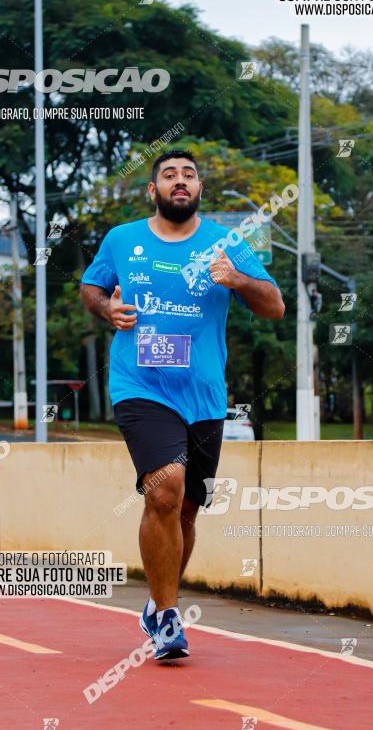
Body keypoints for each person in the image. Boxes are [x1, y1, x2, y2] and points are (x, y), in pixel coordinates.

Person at [80, 149, 284, 660]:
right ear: (153, 189)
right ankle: (169, 620)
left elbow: (274, 307)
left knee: (187, 507)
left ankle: (157, 603)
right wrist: (109, 308)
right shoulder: (123, 239)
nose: (179, 181)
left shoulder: (227, 243)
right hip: (140, 385)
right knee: (165, 488)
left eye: (188, 175)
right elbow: (90, 285)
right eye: (168, 175)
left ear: (198, 189)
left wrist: (236, 279)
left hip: (204, 396)